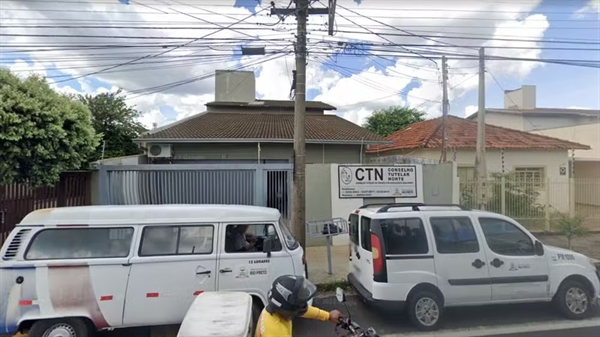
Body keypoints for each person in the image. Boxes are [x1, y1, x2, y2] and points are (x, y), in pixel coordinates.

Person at [255, 275, 343, 337]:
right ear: (288, 308)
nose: (303, 306)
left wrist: (328, 315)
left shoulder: (275, 310)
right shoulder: (277, 332)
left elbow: (301, 310)